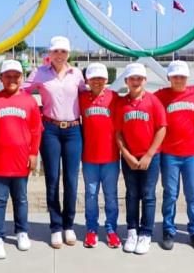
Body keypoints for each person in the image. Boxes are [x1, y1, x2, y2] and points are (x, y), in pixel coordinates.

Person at [22, 35, 84, 248]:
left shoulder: (76, 74)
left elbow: (88, 95)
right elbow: (23, 92)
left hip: (74, 130)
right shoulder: (40, 73)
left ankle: (69, 225)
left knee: (71, 180)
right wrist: (35, 110)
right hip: (49, 130)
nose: (59, 55)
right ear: (50, 53)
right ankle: (56, 226)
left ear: (68, 54)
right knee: (52, 180)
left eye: (63, 52)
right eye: (55, 51)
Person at [0, 60, 43, 260]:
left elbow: (35, 131)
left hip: (21, 160)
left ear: (22, 78)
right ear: (1, 78)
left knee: (21, 198)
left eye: (16, 76)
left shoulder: (30, 101)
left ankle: (22, 231)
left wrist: (33, 154)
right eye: (8, 76)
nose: (12, 79)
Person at [154, 61, 194, 251]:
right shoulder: (160, 96)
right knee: (170, 194)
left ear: (187, 78)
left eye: (182, 76)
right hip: (169, 154)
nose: (178, 80)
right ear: (169, 78)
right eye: (175, 76)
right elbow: (144, 103)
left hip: (191, 154)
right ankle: (168, 229)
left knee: (193, 195)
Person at [115, 63, 167, 255]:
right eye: (132, 78)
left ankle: (146, 233)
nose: (135, 81)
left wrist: (149, 155)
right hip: (129, 157)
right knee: (131, 194)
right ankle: (132, 231)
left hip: (150, 157)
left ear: (145, 80)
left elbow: (162, 128)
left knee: (148, 195)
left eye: (139, 78)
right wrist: (127, 155)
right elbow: (118, 133)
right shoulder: (121, 103)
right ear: (126, 81)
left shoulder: (153, 102)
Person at [78, 63, 121, 249]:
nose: (97, 81)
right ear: (87, 80)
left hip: (111, 157)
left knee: (111, 196)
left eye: (100, 78)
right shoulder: (81, 99)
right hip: (89, 158)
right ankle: (91, 230)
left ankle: (111, 230)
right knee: (91, 195)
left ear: (106, 80)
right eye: (93, 78)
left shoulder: (115, 98)